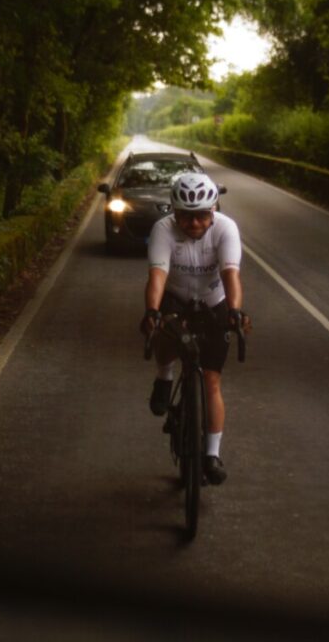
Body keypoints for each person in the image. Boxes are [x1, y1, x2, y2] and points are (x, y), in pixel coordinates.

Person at [140, 172, 250, 485]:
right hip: (175, 298)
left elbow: (231, 275)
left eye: (202, 216)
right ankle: (164, 378)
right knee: (163, 329)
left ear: (214, 209)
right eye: (186, 217)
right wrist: (152, 312)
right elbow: (158, 276)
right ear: (174, 212)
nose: (194, 224)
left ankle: (212, 455)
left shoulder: (226, 228)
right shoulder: (162, 229)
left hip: (213, 302)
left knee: (212, 381)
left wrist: (235, 311)